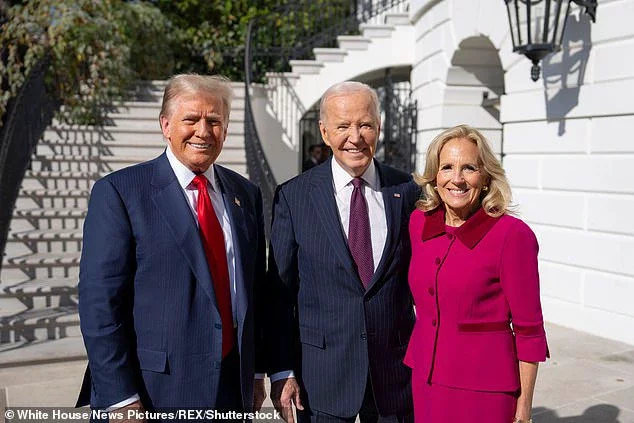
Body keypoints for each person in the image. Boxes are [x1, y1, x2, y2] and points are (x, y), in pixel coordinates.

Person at [76, 74, 267, 419]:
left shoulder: (245, 195)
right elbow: (99, 305)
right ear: (165, 125)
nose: (203, 131)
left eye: (214, 121)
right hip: (152, 392)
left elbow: (253, 291)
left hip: (230, 387)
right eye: (191, 119)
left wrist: (254, 372)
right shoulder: (121, 193)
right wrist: (120, 397)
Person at [266, 81, 419, 423]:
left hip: (395, 379)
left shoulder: (408, 191)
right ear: (324, 131)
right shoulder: (294, 196)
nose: (355, 136)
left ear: (378, 127)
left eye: (365, 124)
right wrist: (281, 370)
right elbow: (279, 294)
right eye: (342, 126)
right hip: (321, 382)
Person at [405, 124, 549, 423]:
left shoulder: (512, 235)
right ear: (435, 176)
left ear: (485, 179)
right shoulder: (419, 223)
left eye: (468, 168)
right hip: (425, 380)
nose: (456, 179)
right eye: (446, 167)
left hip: (484, 390)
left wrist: (523, 408)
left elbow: (529, 329)